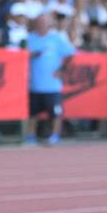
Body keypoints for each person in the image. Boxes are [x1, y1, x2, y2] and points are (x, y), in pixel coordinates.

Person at [23, 13, 76, 146]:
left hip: (52, 85)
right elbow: (21, 55)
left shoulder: (56, 38)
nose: (41, 25)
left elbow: (71, 54)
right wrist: (31, 55)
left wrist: (62, 70)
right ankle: (30, 136)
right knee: (32, 113)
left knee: (55, 113)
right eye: (39, 22)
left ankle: (54, 136)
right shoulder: (30, 38)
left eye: (44, 22)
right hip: (34, 84)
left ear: (48, 24)